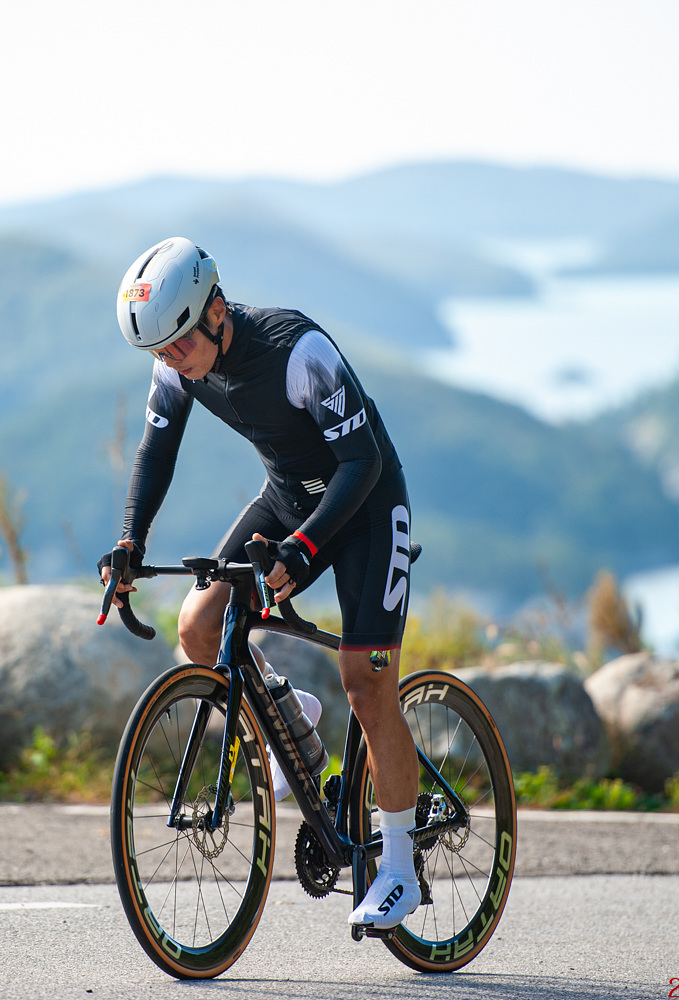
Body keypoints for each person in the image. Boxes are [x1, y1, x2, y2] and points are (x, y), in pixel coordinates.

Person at [98, 237, 420, 931]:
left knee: (366, 683)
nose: (171, 360)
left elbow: (361, 461)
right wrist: (130, 543)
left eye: (179, 345)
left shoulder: (298, 351)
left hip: (365, 505)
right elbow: (156, 451)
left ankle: (398, 867)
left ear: (215, 309)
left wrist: (304, 549)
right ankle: (288, 715)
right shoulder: (177, 359)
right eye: (159, 352)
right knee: (198, 628)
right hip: (286, 498)